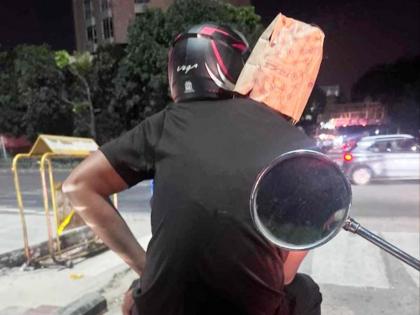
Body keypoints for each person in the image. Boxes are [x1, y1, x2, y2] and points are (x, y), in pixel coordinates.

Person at [63, 23, 322, 315]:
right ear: (241, 67)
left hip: (162, 308)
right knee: (306, 291)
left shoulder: (165, 124)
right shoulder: (293, 142)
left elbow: (77, 186)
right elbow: (286, 273)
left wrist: (146, 270)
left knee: (130, 302)